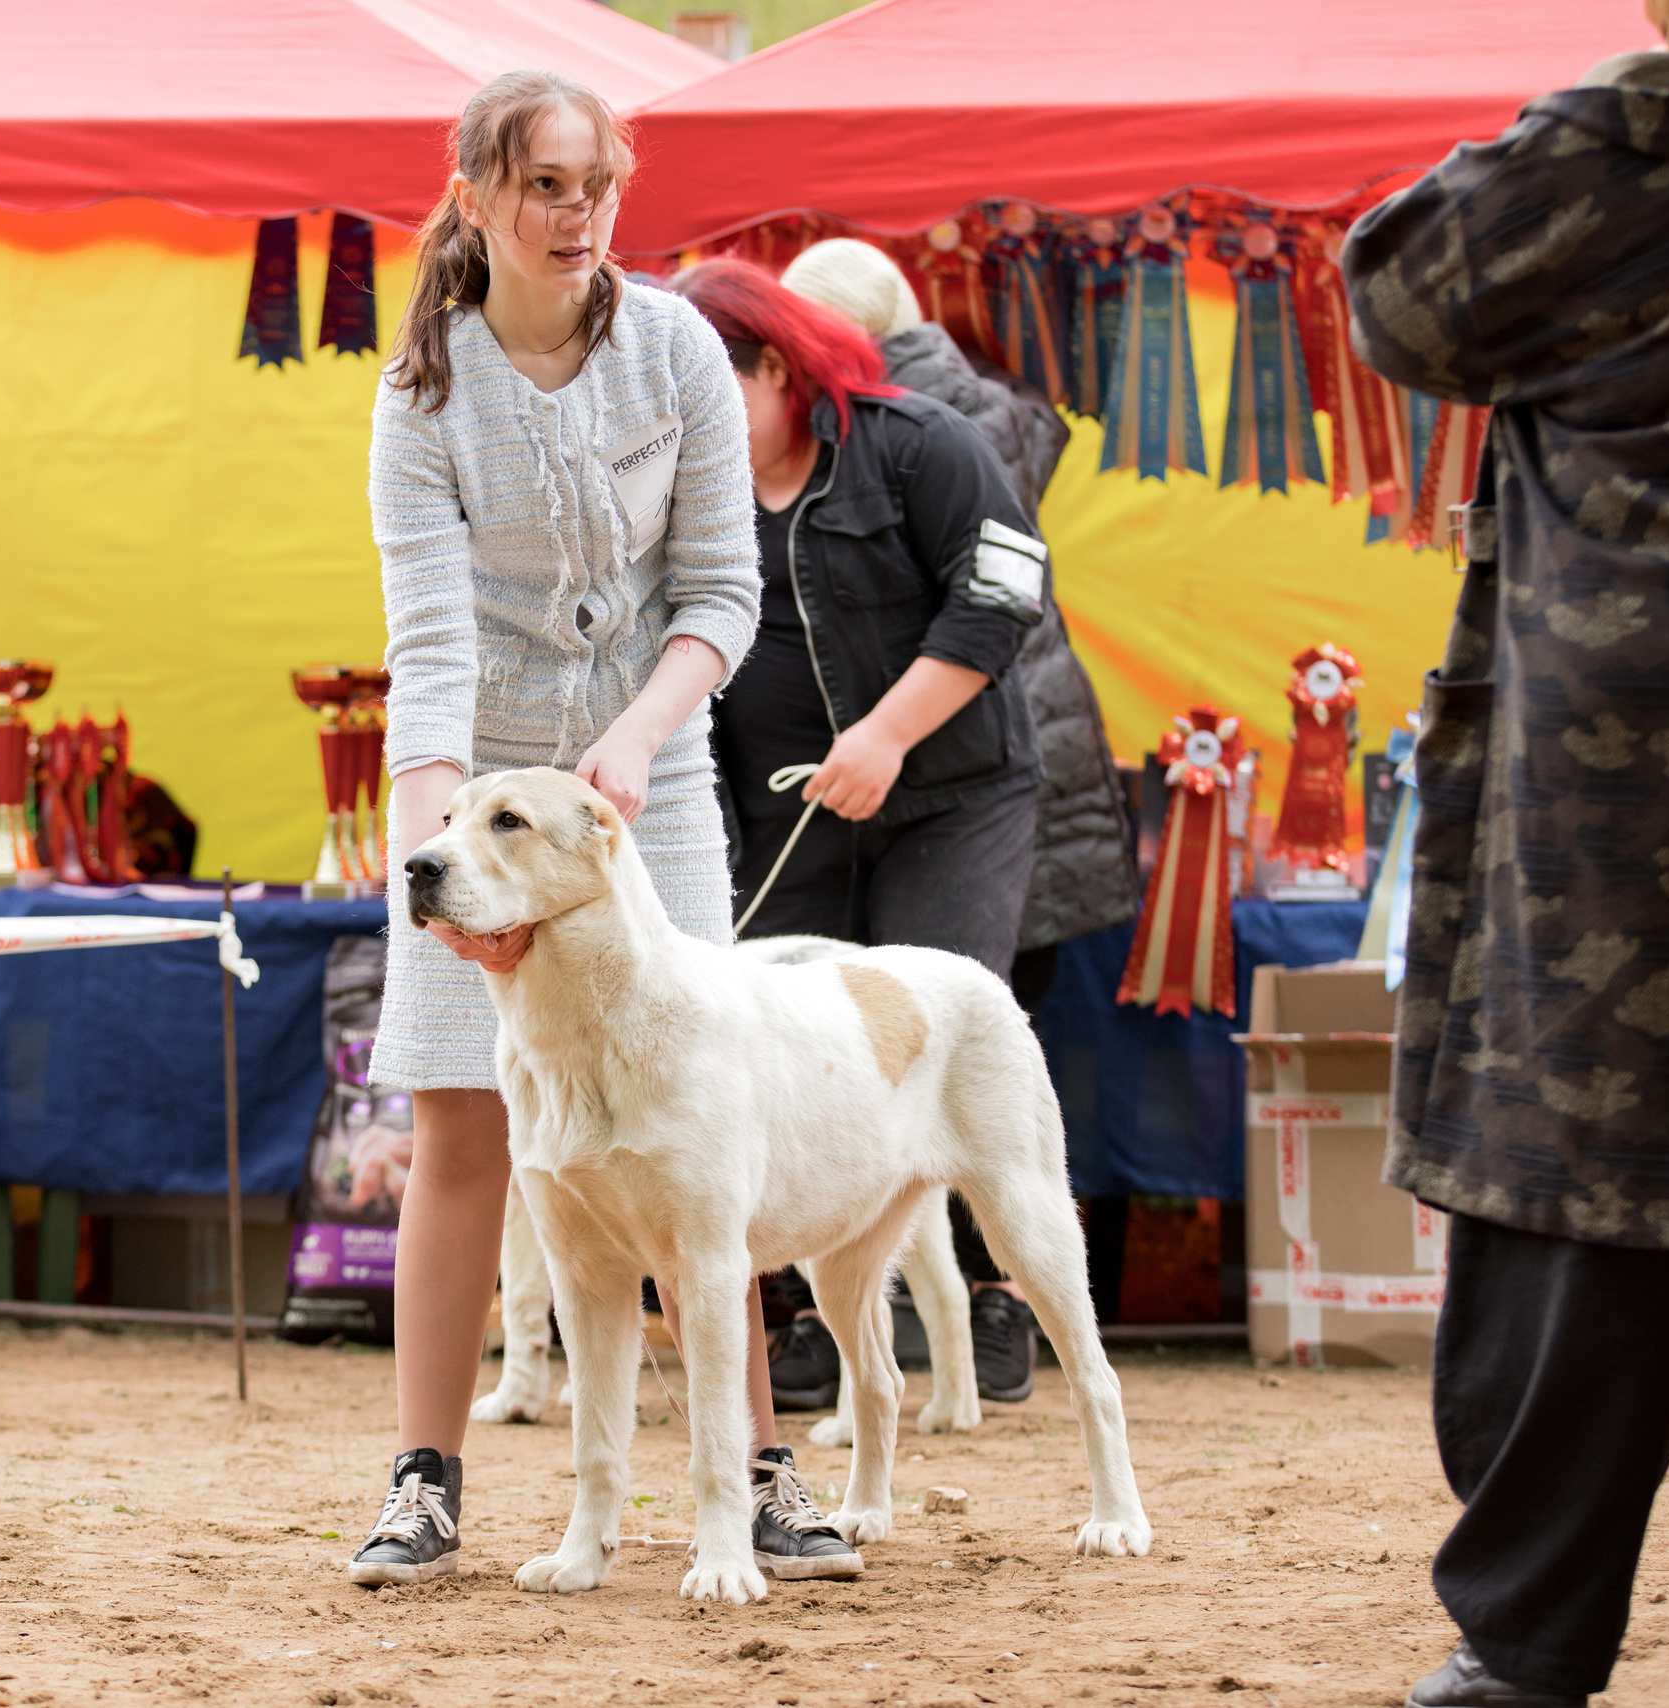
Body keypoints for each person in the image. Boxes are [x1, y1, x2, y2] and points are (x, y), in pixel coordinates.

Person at [1343, 4, 1669, 1704]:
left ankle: (1524, 1643)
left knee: (1582, 1208)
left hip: (1630, 821)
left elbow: (1396, 292)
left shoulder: (1610, 145)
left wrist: (1637, 99)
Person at [347, 71, 860, 1590]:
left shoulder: (685, 351)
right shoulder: (420, 393)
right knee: (463, 1120)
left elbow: (718, 596)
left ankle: (757, 1474)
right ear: (477, 201)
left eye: (598, 186)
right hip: (470, 785)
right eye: (549, 187)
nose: (580, 216)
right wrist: (445, 852)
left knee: (704, 1127)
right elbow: (429, 643)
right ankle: (427, 1481)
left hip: (654, 785)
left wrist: (633, 743)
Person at [663, 257, 1055, 1410]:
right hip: (783, 821)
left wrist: (886, 736)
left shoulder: (921, 442)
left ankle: (997, 1303)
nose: (687, 426)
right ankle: (804, 1323)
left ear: (776, 369)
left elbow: (1003, 591)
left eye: (709, 393)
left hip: (954, 801)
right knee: (779, 1056)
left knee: (939, 1037)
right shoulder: (693, 488)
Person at [777, 239, 1140, 1407]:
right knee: (948, 1043)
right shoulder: (1001, 407)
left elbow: (991, 590)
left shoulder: (938, 426)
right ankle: (924, 1317)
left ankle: (990, 1308)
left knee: (960, 1051)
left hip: (977, 766)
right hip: (936, 765)